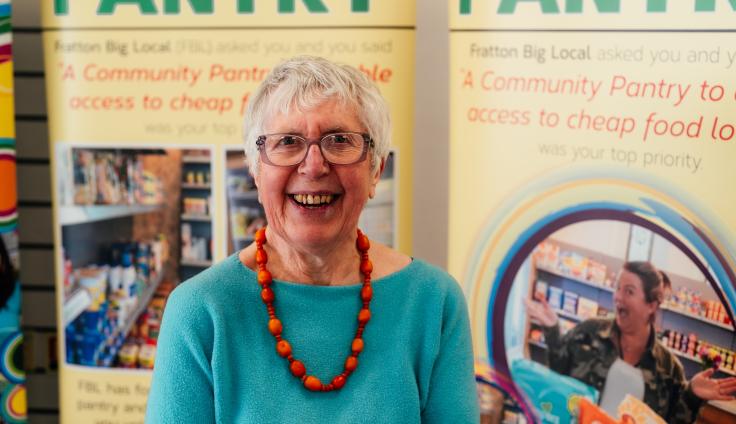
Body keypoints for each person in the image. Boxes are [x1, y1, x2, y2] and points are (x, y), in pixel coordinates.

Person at [145, 56, 480, 423]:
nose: (313, 165)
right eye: (288, 141)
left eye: (339, 140)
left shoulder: (434, 302)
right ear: (256, 171)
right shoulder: (200, 311)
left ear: (376, 170)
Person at [525, 260, 736, 423]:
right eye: (618, 288)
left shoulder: (669, 368)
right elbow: (557, 376)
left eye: (629, 291)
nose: (618, 297)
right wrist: (552, 331)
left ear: (651, 305)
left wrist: (692, 395)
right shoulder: (589, 332)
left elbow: (674, 421)